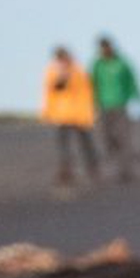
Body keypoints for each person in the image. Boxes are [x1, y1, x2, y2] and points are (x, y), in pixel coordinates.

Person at [41, 46, 98, 185]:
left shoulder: (78, 70)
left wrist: (91, 110)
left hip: (80, 114)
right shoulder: (53, 71)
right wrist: (47, 112)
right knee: (63, 145)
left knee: (85, 144)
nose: (63, 60)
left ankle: (92, 168)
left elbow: (88, 90)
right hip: (62, 114)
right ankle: (66, 170)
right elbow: (51, 90)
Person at [91, 35, 140, 182]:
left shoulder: (122, 63)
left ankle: (125, 170)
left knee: (123, 138)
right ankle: (115, 161)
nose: (104, 50)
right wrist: (91, 104)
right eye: (102, 48)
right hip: (103, 106)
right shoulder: (97, 65)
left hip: (120, 105)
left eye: (106, 47)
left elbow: (132, 81)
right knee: (107, 138)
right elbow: (91, 83)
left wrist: (137, 98)